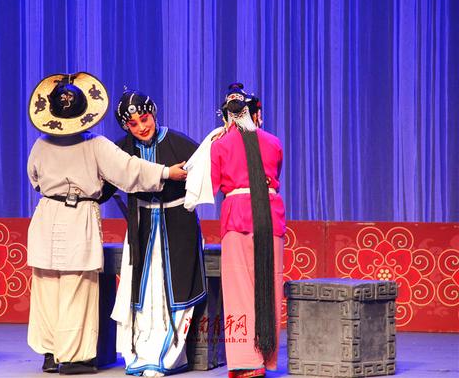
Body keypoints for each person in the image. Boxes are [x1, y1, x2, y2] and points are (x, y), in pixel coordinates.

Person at [26, 73, 187, 375]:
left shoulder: (40, 144)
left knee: (47, 286)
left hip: (47, 213)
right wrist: (166, 173)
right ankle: (72, 358)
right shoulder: (95, 145)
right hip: (77, 216)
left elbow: (34, 179)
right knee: (76, 287)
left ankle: (49, 353)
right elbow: (129, 170)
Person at [103, 88, 206, 377]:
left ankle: (168, 355)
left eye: (144, 119)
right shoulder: (121, 149)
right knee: (143, 291)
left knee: (172, 289)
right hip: (142, 225)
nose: (141, 127)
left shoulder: (179, 142)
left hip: (178, 225)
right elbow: (105, 185)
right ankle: (139, 352)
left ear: (154, 114)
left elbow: (205, 172)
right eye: (132, 124)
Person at [210, 83, 285, 378]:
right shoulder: (273, 142)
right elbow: (274, 175)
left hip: (237, 214)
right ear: (256, 115)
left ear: (227, 116)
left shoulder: (220, 144)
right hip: (269, 214)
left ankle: (245, 361)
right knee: (270, 283)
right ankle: (266, 356)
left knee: (238, 287)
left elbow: (213, 183)